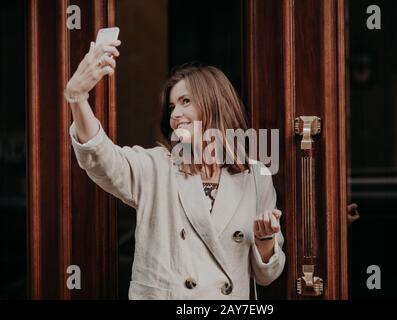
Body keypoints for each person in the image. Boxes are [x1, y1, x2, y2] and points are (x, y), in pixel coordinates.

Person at [64, 39, 286, 299]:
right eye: (172, 107)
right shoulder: (158, 167)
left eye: (185, 101)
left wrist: (265, 240)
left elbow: (266, 276)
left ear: (215, 104)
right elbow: (103, 158)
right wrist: (77, 98)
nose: (174, 114)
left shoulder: (255, 177)